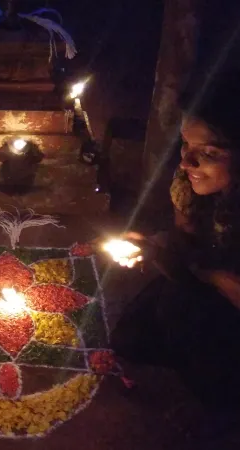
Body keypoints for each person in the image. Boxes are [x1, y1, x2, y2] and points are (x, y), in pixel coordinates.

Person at [107, 71, 240, 415]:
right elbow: (186, 242)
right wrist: (153, 245)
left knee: (213, 384)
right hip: (206, 280)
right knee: (129, 339)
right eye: (185, 144)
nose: (186, 162)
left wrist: (201, 272)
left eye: (209, 152)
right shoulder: (189, 186)